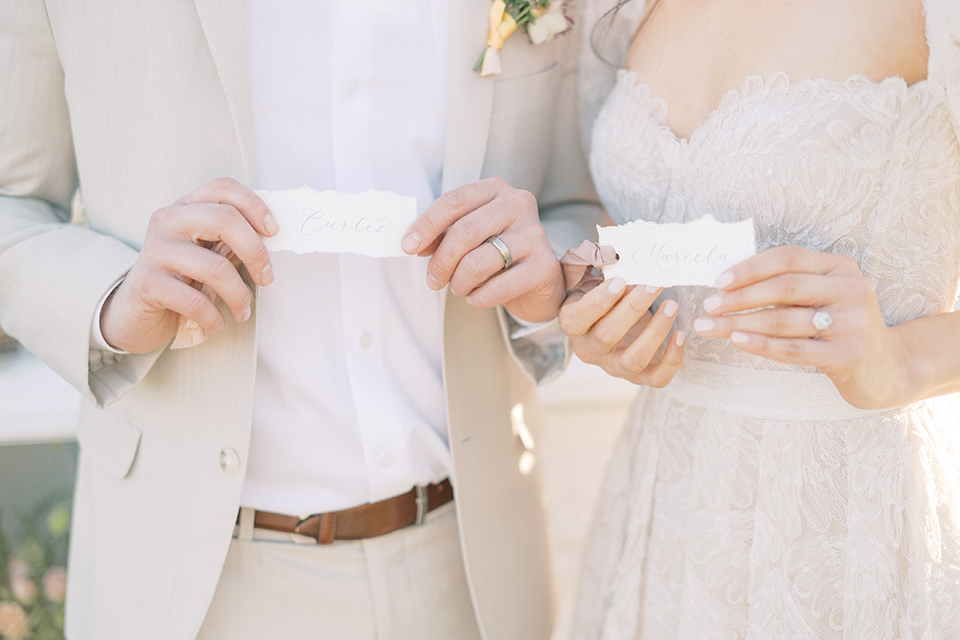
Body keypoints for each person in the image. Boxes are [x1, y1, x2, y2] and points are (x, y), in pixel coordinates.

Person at [0, 2, 602, 639]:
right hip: (191, 582)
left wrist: (549, 274)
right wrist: (113, 298)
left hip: (474, 568)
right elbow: (11, 204)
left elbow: (576, 202)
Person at [559, 0, 960, 637]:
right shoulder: (621, 11)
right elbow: (596, 217)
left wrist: (903, 360)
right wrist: (600, 312)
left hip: (851, 521)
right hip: (666, 497)